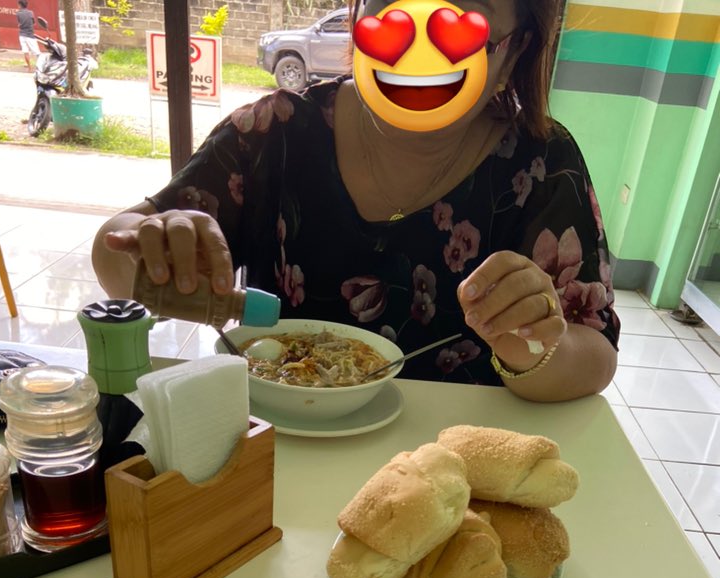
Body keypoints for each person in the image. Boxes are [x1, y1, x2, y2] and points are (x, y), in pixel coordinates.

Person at [93, 0, 619, 402]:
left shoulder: (544, 162)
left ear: (514, 52)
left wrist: (533, 343)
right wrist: (151, 250)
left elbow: (594, 357)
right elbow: (117, 258)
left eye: (455, 23)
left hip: (454, 482)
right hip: (275, 461)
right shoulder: (271, 133)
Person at [16, 0, 40, 71]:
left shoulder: (18, 14)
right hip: (30, 35)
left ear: (20, 5)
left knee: (25, 51)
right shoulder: (30, 13)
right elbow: (33, 22)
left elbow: (19, 23)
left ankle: (29, 68)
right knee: (37, 52)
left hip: (22, 35)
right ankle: (39, 67)